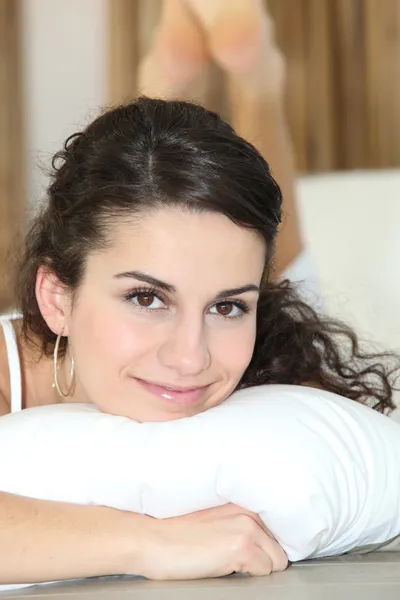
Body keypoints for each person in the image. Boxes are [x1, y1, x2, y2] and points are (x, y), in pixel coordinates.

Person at [0, 96, 398, 585]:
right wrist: (146, 543)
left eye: (227, 306)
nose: (191, 357)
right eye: (146, 298)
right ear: (58, 298)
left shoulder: (270, 380)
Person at [138, 0, 321, 305]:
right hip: (273, 339)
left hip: (139, 321)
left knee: (134, 266)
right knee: (285, 301)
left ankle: (167, 86)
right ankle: (255, 84)